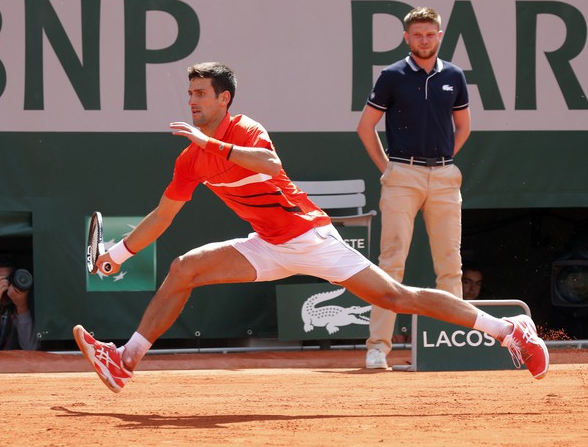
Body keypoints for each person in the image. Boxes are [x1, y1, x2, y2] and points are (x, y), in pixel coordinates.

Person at [73, 61, 548, 394]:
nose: (192, 101)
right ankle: (125, 359)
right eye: (189, 93)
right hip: (267, 244)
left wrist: (211, 144)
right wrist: (116, 255)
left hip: (310, 237)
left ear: (224, 98)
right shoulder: (189, 160)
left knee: (395, 297)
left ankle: (509, 329)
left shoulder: (244, 131)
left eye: (200, 94)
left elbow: (269, 161)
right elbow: (162, 218)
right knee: (184, 268)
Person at [356, 7, 471, 369]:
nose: (424, 39)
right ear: (407, 38)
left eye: (430, 34)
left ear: (440, 36)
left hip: (444, 177)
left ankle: (451, 346)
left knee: (450, 264)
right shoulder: (392, 76)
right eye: (417, 34)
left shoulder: (454, 75)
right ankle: (378, 347)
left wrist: (444, 160)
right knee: (391, 263)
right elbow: (365, 127)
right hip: (401, 176)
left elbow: (463, 127)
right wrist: (389, 168)